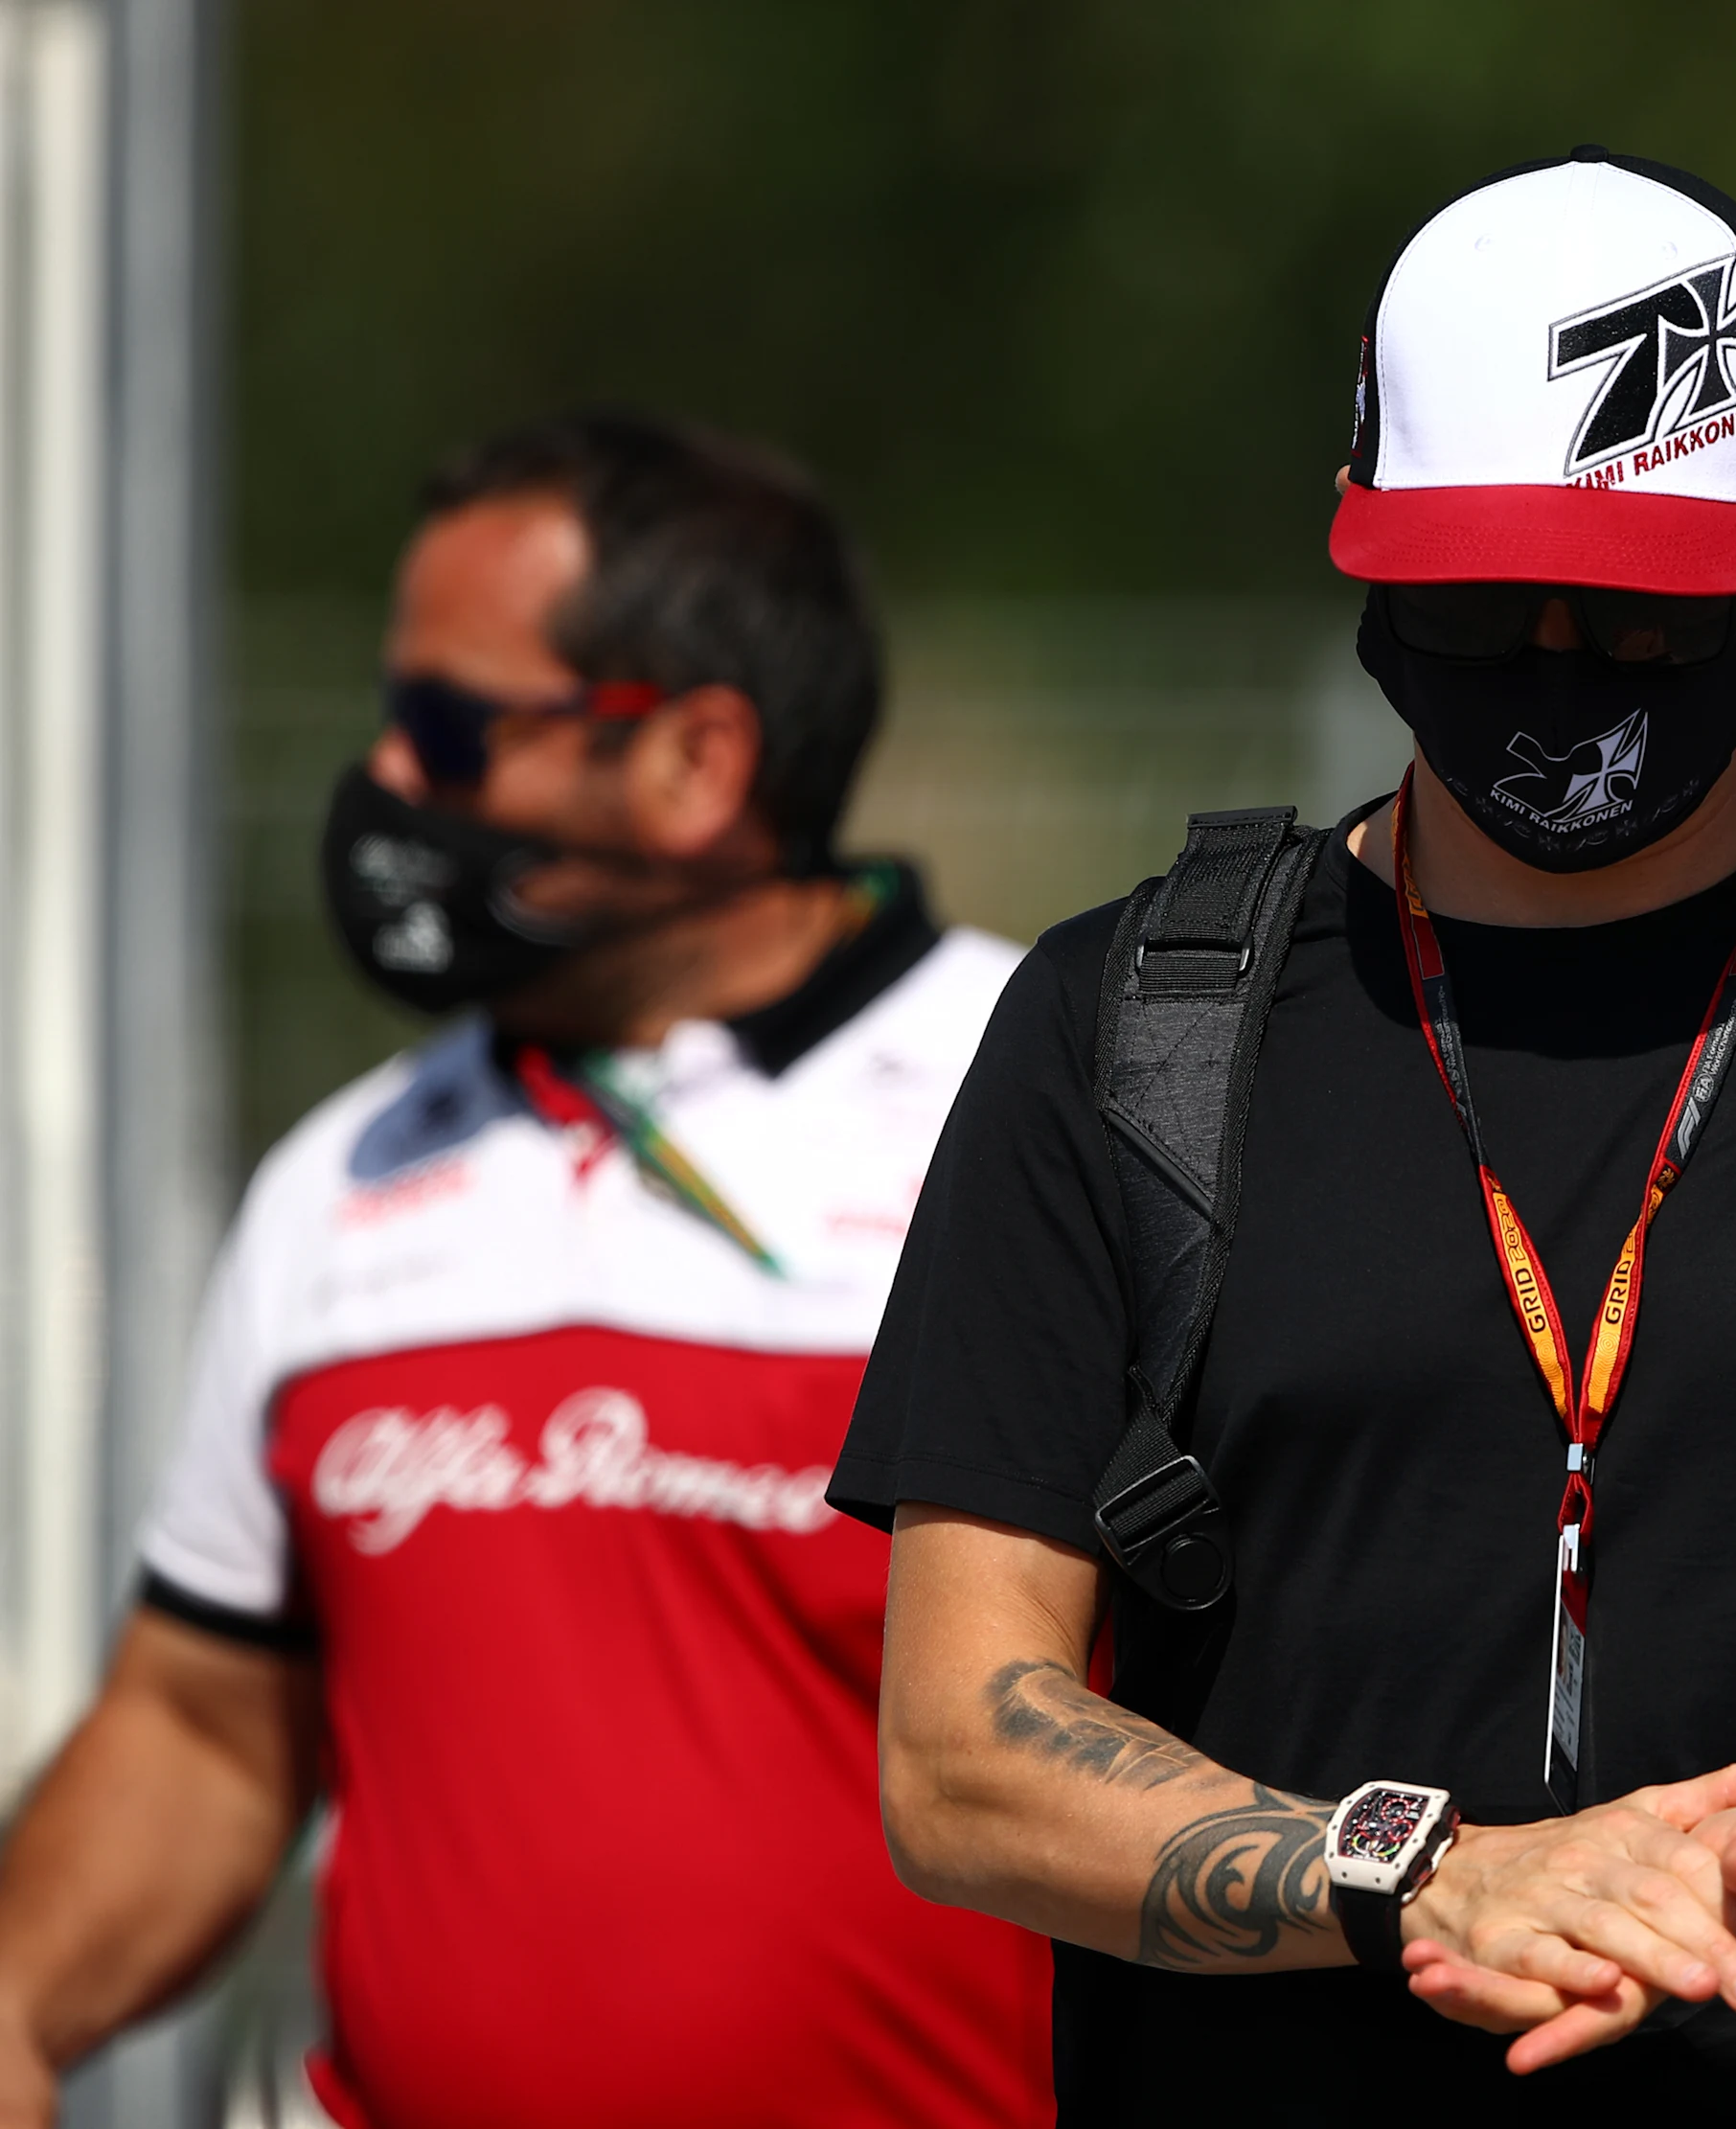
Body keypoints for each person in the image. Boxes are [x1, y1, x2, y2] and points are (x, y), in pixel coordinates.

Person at [833, 149, 1736, 2120]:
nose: (1557, 656)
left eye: (1637, 612)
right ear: (1358, 546)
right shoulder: (1124, 1028)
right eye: (1482, 600)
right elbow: (957, 1756)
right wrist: (1428, 1874)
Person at [0, 413, 1054, 2128]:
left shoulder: (1046, 1109)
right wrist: (17, 2006)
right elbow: (202, 1728)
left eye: (445, 727)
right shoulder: (334, 1181)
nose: (389, 785)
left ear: (700, 763)